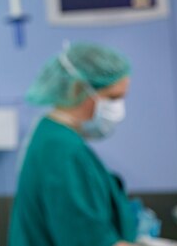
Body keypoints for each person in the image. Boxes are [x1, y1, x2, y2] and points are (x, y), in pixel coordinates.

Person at [8, 42, 142, 246]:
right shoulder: (61, 151)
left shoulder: (51, 134)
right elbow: (88, 240)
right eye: (112, 98)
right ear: (78, 89)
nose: (117, 109)